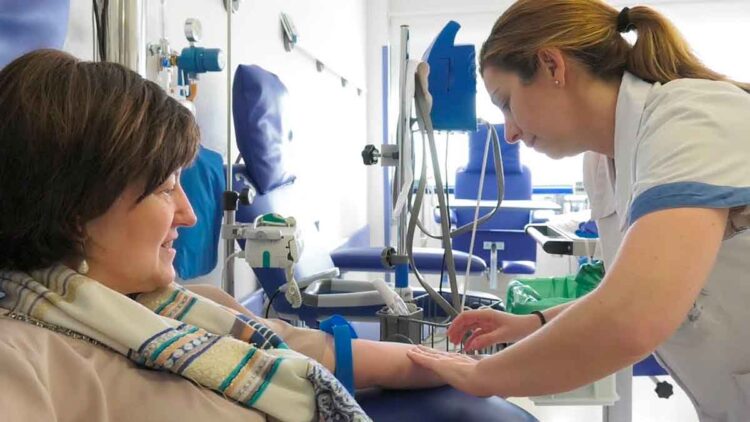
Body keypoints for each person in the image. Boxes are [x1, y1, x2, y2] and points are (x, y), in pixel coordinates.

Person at [0, 49, 442, 422]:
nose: (189, 215)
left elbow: (291, 347)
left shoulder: (184, 305)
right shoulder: (21, 360)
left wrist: (460, 368)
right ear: (77, 208)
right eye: (164, 188)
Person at [406, 1, 750, 420]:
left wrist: (484, 375)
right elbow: (637, 290)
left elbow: (631, 316)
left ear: (552, 65)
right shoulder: (602, 162)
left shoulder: (689, 118)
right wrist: (533, 322)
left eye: (507, 102)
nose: (509, 132)